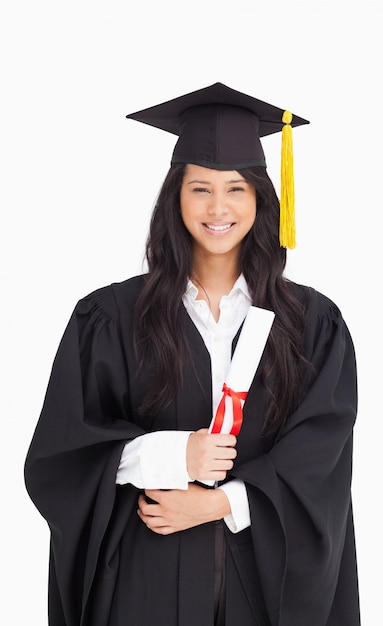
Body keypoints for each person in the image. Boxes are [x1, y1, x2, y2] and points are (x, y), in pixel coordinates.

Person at [24, 82, 361, 626]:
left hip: (261, 587)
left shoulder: (311, 324)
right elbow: (62, 454)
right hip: (144, 583)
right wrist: (171, 455)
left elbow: (322, 456)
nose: (218, 208)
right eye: (200, 188)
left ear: (261, 201)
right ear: (175, 198)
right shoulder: (110, 317)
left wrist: (224, 501)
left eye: (236, 189)